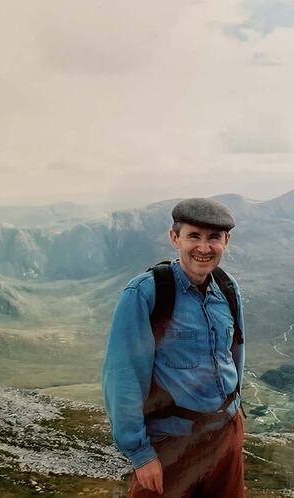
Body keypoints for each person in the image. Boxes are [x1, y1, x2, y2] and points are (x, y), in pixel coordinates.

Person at [102, 197, 246, 498]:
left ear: (226, 241)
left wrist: (235, 418)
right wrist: (141, 454)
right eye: (194, 236)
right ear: (174, 237)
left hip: (225, 436)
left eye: (214, 238)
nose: (204, 248)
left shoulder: (228, 287)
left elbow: (235, 354)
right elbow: (124, 376)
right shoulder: (146, 293)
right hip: (172, 444)